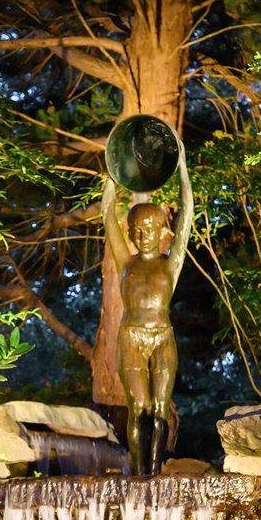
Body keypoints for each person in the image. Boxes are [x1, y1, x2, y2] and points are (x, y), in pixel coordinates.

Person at [102, 137, 193, 474]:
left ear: (162, 231)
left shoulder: (170, 264)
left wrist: (182, 172)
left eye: (151, 228)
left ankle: (152, 473)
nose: (144, 235)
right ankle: (137, 471)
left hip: (161, 337)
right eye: (138, 230)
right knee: (137, 405)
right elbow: (108, 218)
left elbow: (186, 219)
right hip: (132, 338)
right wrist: (112, 176)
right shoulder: (126, 262)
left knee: (158, 407)